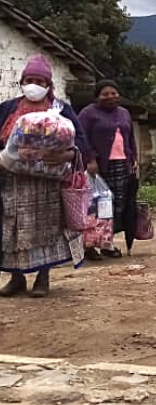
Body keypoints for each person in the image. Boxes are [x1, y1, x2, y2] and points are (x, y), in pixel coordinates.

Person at [0, 55, 90, 298]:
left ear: (49, 85)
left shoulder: (61, 110)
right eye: (30, 80)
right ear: (21, 82)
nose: (34, 85)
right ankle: (16, 278)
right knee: (12, 228)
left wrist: (66, 155)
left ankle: (43, 278)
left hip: (48, 184)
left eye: (40, 81)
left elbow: (81, 142)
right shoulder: (8, 109)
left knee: (48, 229)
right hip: (13, 183)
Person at [77, 79, 138, 260]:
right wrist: (90, 159)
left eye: (113, 93)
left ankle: (106, 243)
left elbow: (130, 138)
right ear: (97, 97)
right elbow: (81, 138)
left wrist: (134, 159)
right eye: (105, 94)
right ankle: (89, 246)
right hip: (98, 167)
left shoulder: (124, 113)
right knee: (95, 207)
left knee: (117, 206)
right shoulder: (88, 114)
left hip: (122, 165)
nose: (110, 97)